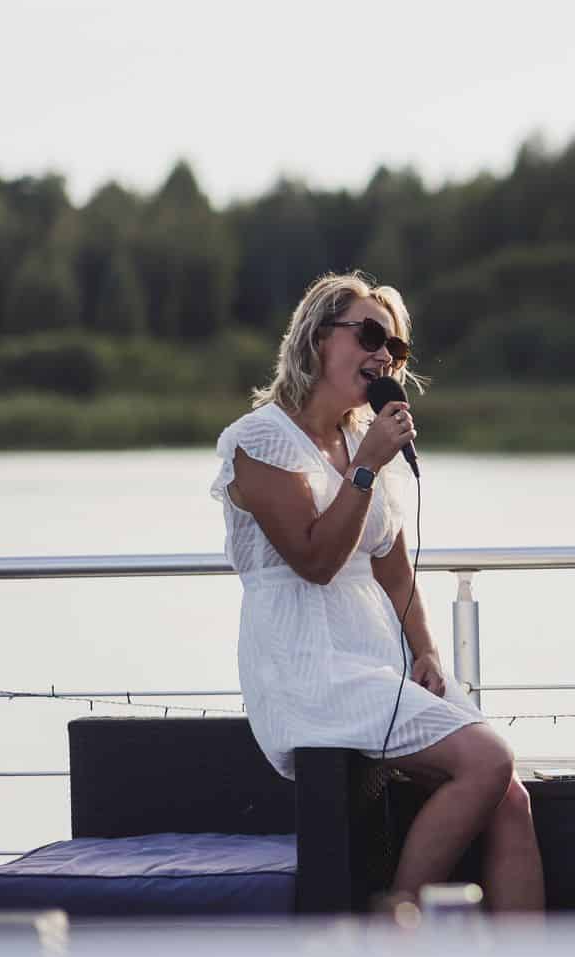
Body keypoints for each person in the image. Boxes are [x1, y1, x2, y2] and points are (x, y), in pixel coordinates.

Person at [211, 272, 544, 911]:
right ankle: (399, 925)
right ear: (316, 338)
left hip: (377, 660)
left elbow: (392, 567)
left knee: (509, 796)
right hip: (309, 667)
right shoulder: (260, 441)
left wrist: (427, 651)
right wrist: (366, 468)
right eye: (368, 335)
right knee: (487, 760)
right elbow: (314, 561)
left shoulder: (362, 440)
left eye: (394, 346)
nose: (384, 355)